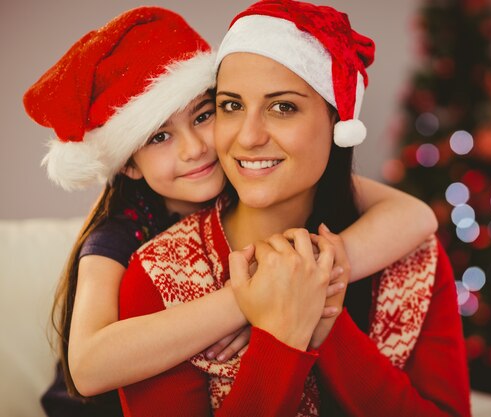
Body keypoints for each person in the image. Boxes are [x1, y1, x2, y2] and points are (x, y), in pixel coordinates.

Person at [22, 6, 438, 417]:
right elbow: (89, 368)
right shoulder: (119, 235)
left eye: (204, 116)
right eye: (159, 136)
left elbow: (417, 217)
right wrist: (250, 300)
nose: (194, 148)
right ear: (127, 164)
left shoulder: (254, 172)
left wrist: (311, 271)